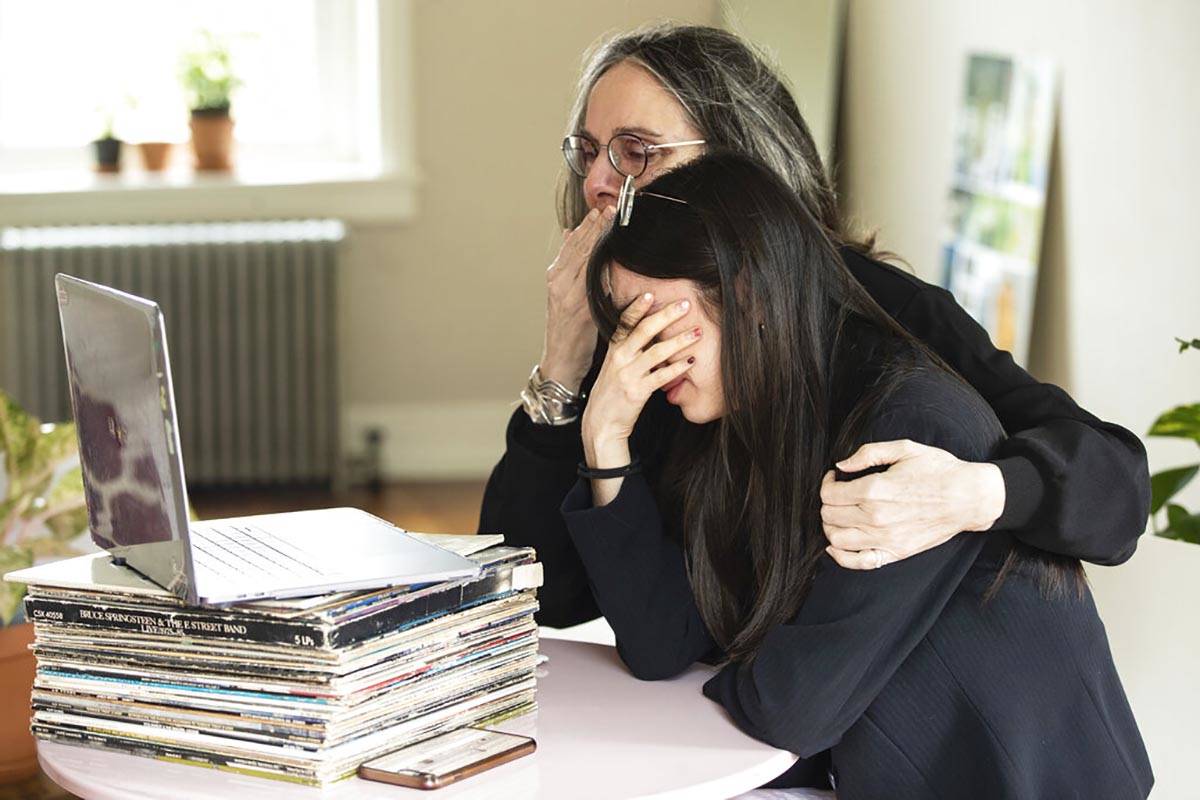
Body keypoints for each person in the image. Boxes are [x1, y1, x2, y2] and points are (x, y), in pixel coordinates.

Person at [479, 23, 1149, 630]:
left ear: (743, 164)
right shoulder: (627, 329)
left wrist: (980, 492)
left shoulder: (884, 312)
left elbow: (1118, 490)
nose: (599, 180)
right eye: (591, 151)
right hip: (710, 707)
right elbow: (537, 597)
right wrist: (562, 368)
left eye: (636, 151)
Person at [560, 150, 1152, 798]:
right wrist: (605, 436)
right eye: (625, 324)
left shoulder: (907, 422)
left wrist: (744, 667)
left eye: (657, 319)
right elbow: (661, 642)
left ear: (750, 293)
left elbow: (792, 705)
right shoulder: (731, 416)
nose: (634, 352)